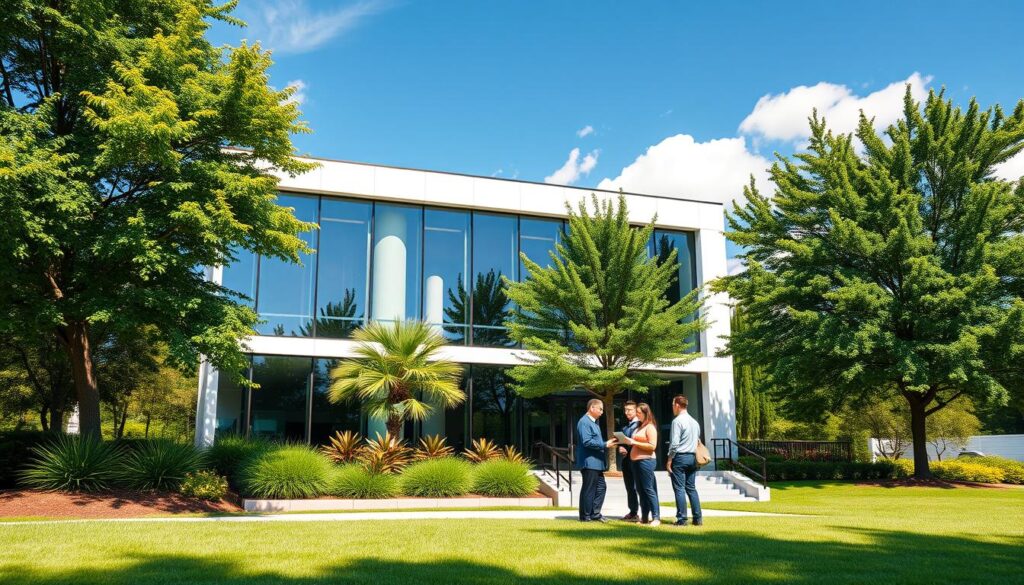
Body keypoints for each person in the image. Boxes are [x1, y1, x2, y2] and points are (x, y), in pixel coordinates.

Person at [575, 398, 616, 522]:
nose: (602, 412)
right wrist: (605, 445)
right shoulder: (584, 422)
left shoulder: (594, 422)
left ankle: (595, 514)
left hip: (597, 463)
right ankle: (585, 516)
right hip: (590, 462)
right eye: (600, 409)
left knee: (601, 487)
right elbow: (586, 442)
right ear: (592, 408)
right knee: (589, 489)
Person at [666, 395, 703, 526]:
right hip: (692, 457)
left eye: (672, 405)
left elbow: (675, 443)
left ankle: (682, 519)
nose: (672, 408)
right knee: (691, 488)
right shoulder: (695, 422)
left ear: (677, 405)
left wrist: (669, 459)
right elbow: (697, 441)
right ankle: (698, 518)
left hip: (680, 457)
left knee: (679, 489)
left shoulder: (677, 421)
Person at [627, 402, 660, 526]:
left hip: (646, 461)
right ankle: (645, 517)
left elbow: (652, 446)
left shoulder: (650, 427)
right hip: (635, 461)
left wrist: (634, 442)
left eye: (639, 413)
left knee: (648, 489)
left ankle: (656, 517)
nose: (637, 415)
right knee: (640, 490)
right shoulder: (640, 427)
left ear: (646, 413)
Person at [618, 401, 640, 521]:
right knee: (630, 487)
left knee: (638, 487)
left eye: (630, 410)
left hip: (636, 460)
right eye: (625, 410)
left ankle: (646, 512)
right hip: (626, 460)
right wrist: (620, 447)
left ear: (636, 410)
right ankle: (633, 512)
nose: (627, 412)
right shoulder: (625, 426)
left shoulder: (640, 425)